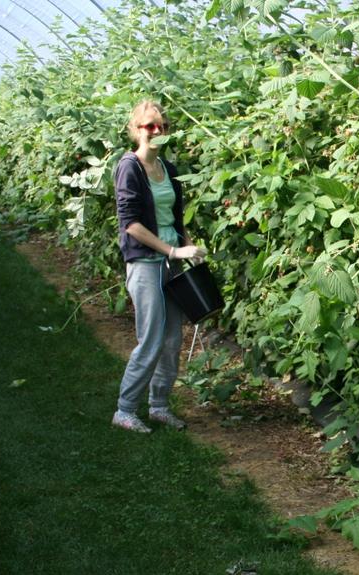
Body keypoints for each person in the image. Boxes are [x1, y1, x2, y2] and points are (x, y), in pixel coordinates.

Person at [111, 100, 206, 433]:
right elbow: (131, 225)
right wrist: (172, 251)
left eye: (162, 126)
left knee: (171, 340)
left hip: (172, 260)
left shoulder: (169, 169)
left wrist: (187, 247)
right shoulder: (130, 167)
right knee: (151, 338)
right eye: (149, 125)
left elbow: (174, 217)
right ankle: (125, 409)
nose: (156, 131)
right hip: (146, 262)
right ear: (136, 130)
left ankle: (159, 406)